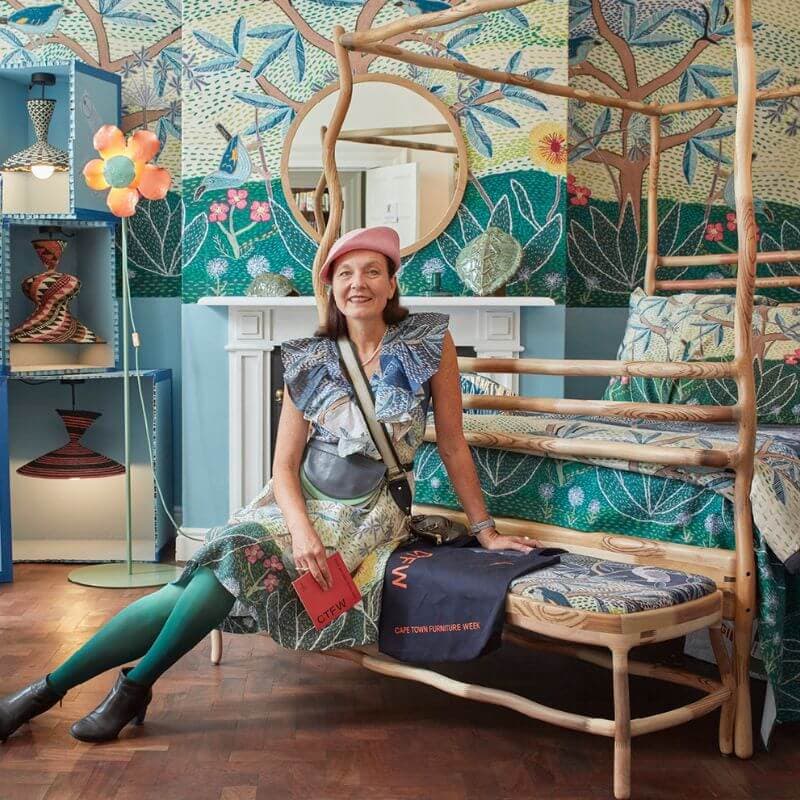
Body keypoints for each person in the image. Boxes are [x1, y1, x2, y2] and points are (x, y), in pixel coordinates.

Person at [0, 225, 535, 744]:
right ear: (330, 287)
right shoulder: (309, 356)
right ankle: (76, 690)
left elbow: (452, 444)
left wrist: (486, 532)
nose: (359, 283)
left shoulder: (427, 341)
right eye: (345, 272)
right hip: (294, 505)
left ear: (392, 283)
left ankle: (89, 690)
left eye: (373, 271)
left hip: (369, 512)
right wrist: (300, 531)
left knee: (202, 581)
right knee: (197, 580)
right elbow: (283, 467)